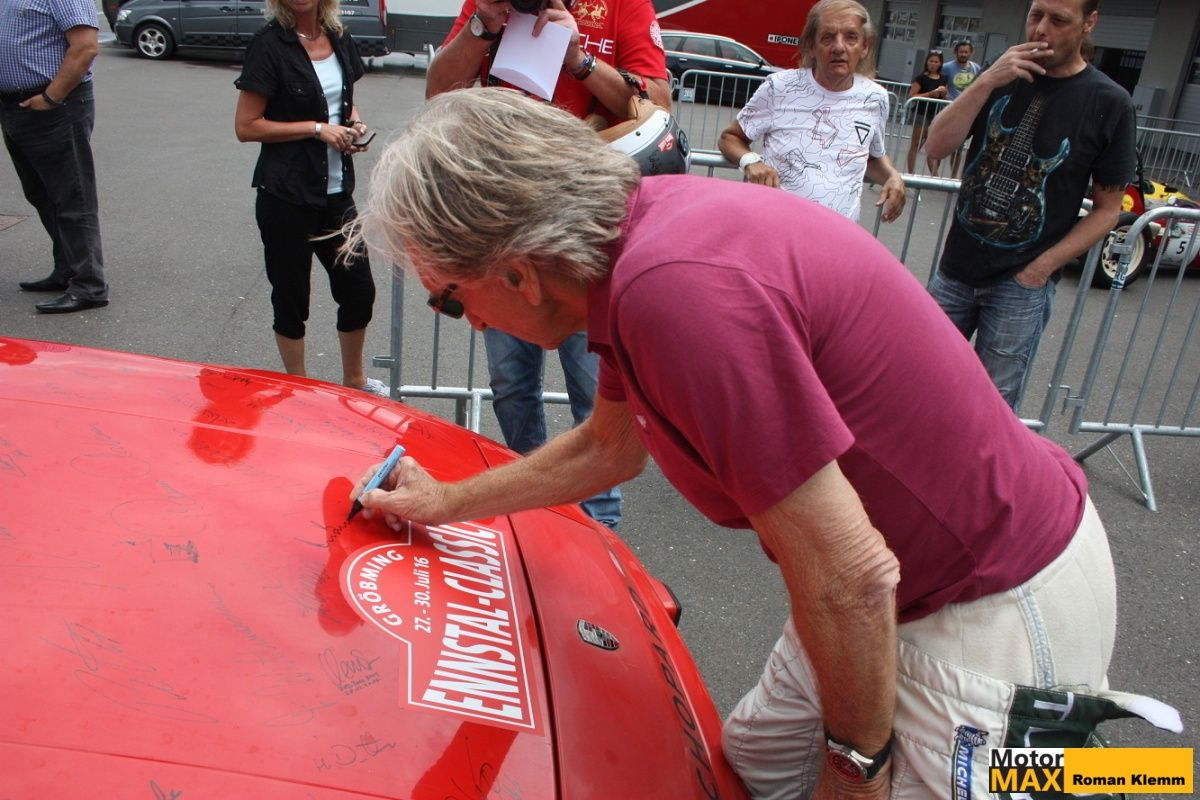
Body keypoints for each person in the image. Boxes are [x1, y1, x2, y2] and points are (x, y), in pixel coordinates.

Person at [348, 88, 1178, 799]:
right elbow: (609, 449)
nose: (466, 322)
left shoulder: (673, 293)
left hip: (992, 602)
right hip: (887, 589)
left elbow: (851, 578)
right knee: (746, 769)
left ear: (517, 272)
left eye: (448, 299)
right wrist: (446, 502)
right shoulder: (634, 251)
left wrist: (857, 770)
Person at [424, 0, 673, 527]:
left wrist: (579, 60)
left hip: (584, 236)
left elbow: (657, 104)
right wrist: (482, 26)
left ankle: (600, 527)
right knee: (511, 384)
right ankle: (533, 505)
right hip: (501, 227)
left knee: (593, 392)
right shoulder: (491, 4)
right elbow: (438, 92)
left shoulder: (622, 4)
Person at [924, 0, 1136, 412]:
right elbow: (936, 145)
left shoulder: (1109, 102)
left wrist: (1039, 270)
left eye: (1059, 20)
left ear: (1089, 23)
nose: (1041, 29)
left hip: (1019, 287)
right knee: (916, 383)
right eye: (1036, 15)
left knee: (993, 408)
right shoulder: (1001, 75)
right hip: (955, 271)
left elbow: (1108, 210)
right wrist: (987, 81)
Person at [233, 0, 387, 397]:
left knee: (359, 291)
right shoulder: (269, 45)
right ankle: (298, 391)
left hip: (336, 193)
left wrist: (353, 124)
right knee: (291, 298)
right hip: (286, 195)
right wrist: (316, 129)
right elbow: (246, 126)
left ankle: (354, 383)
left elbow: (343, 101)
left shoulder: (338, 37)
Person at [717, 0, 905, 224]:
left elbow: (872, 158)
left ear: (865, 46)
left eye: (851, 37)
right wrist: (750, 162)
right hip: (775, 227)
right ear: (811, 46)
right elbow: (730, 138)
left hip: (837, 233)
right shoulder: (780, 87)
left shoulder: (876, 98)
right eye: (827, 37)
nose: (839, 47)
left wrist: (892, 176)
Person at [0, 0, 110, 314]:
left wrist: (51, 97)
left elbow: (85, 47)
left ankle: (89, 285)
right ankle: (67, 270)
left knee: (73, 199)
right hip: (15, 106)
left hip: (55, 106)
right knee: (41, 194)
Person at [940, 40, 981, 177]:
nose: (963, 54)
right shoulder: (946, 67)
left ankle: (953, 176)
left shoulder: (976, 68)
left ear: (971, 53)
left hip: (966, 113)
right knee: (942, 143)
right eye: (961, 52)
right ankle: (934, 175)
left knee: (959, 147)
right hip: (949, 111)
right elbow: (940, 84)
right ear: (956, 52)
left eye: (966, 52)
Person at [905, 50, 948, 175]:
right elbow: (912, 95)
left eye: (936, 62)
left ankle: (934, 175)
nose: (933, 64)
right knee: (916, 144)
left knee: (932, 144)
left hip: (935, 114)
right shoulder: (921, 78)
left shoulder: (943, 78)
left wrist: (944, 93)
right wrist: (930, 94)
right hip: (921, 113)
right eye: (931, 61)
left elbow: (945, 97)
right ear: (927, 62)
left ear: (940, 64)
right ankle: (911, 173)